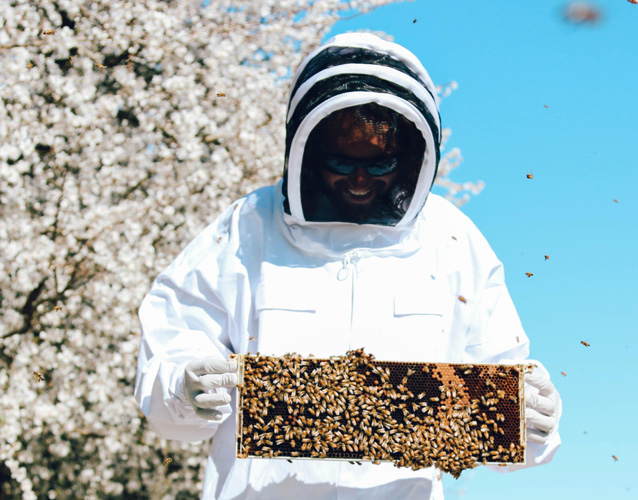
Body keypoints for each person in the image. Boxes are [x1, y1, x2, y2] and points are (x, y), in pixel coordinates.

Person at [135, 32, 561, 500]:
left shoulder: (452, 239)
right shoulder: (247, 227)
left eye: (378, 165)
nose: (360, 179)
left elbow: (504, 396)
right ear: (310, 151)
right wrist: (183, 385)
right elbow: (172, 359)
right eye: (342, 160)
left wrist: (529, 421)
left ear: (407, 161)